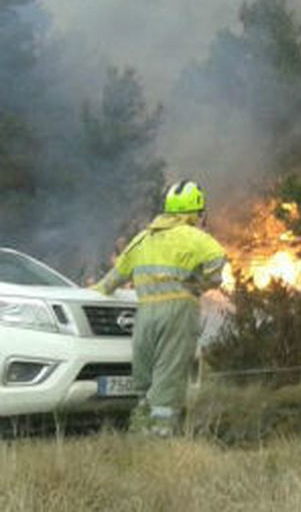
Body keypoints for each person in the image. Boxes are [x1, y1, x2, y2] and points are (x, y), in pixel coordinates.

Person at [93, 180, 228, 436]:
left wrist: (89, 295)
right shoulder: (197, 238)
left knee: (144, 374)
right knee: (170, 371)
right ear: (193, 212)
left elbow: (112, 280)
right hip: (178, 311)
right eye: (199, 213)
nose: (201, 218)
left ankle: (140, 427)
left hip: (144, 314)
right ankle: (160, 435)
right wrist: (200, 284)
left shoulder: (143, 239)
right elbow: (217, 261)